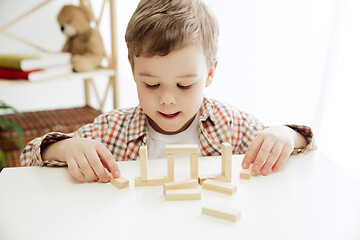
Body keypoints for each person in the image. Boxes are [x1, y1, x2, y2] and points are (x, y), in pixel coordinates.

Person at [20, 0, 314, 183]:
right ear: (133, 70)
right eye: (151, 84)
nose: (167, 99)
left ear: (210, 72)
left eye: (185, 85)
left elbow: (305, 145)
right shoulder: (113, 131)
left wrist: (286, 134)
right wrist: (66, 147)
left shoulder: (230, 127)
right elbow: (28, 156)